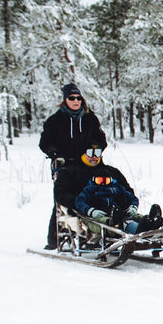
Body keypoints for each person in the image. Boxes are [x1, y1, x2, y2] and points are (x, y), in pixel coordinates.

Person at [39, 83, 107, 248]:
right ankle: (54, 240)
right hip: (66, 166)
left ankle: (93, 234)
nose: (76, 101)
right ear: (65, 100)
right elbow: (44, 143)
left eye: (78, 98)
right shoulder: (55, 120)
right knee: (64, 201)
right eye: (72, 98)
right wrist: (56, 154)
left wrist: (94, 150)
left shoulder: (90, 118)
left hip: (89, 165)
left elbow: (101, 140)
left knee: (93, 196)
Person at [53, 144, 163, 239]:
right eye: (90, 153)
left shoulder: (111, 172)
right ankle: (140, 229)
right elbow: (61, 194)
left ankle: (151, 222)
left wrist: (131, 205)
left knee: (130, 217)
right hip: (90, 212)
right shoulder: (69, 172)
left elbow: (127, 191)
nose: (94, 157)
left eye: (97, 153)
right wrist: (84, 207)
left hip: (116, 209)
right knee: (119, 222)